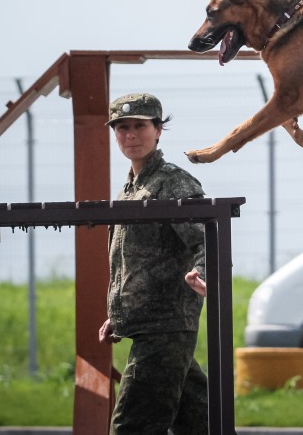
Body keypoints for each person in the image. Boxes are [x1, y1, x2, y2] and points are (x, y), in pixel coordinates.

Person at [98, 93, 209, 435]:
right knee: (200, 422)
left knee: (132, 426)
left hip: (166, 325)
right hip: (155, 324)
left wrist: (205, 272)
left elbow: (207, 236)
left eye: (140, 126)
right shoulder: (131, 188)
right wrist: (119, 314)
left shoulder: (172, 182)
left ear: (158, 130)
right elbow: (130, 261)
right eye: (122, 127)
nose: (131, 135)